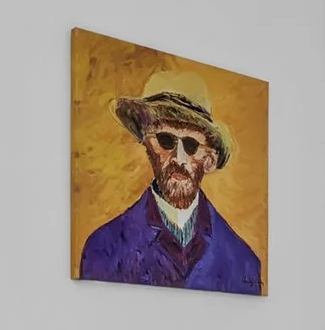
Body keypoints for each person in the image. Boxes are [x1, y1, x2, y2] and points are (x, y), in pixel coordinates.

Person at [77, 69, 263, 294]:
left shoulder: (243, 261)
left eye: (191, 145)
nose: (179, 158)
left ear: (209, 159)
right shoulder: (103, 247)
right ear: (147, 145)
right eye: (165, 140)